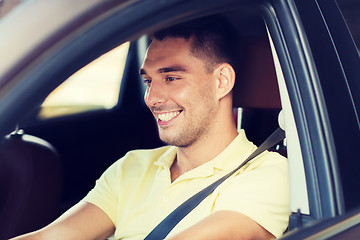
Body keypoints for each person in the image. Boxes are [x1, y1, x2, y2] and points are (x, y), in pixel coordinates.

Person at [11, 15, 290, 240]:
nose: (152, 98)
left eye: (171, 78)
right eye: (148, 81)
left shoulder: (266, 174)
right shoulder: (133, 166)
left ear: (221, 81)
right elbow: (51, 237)